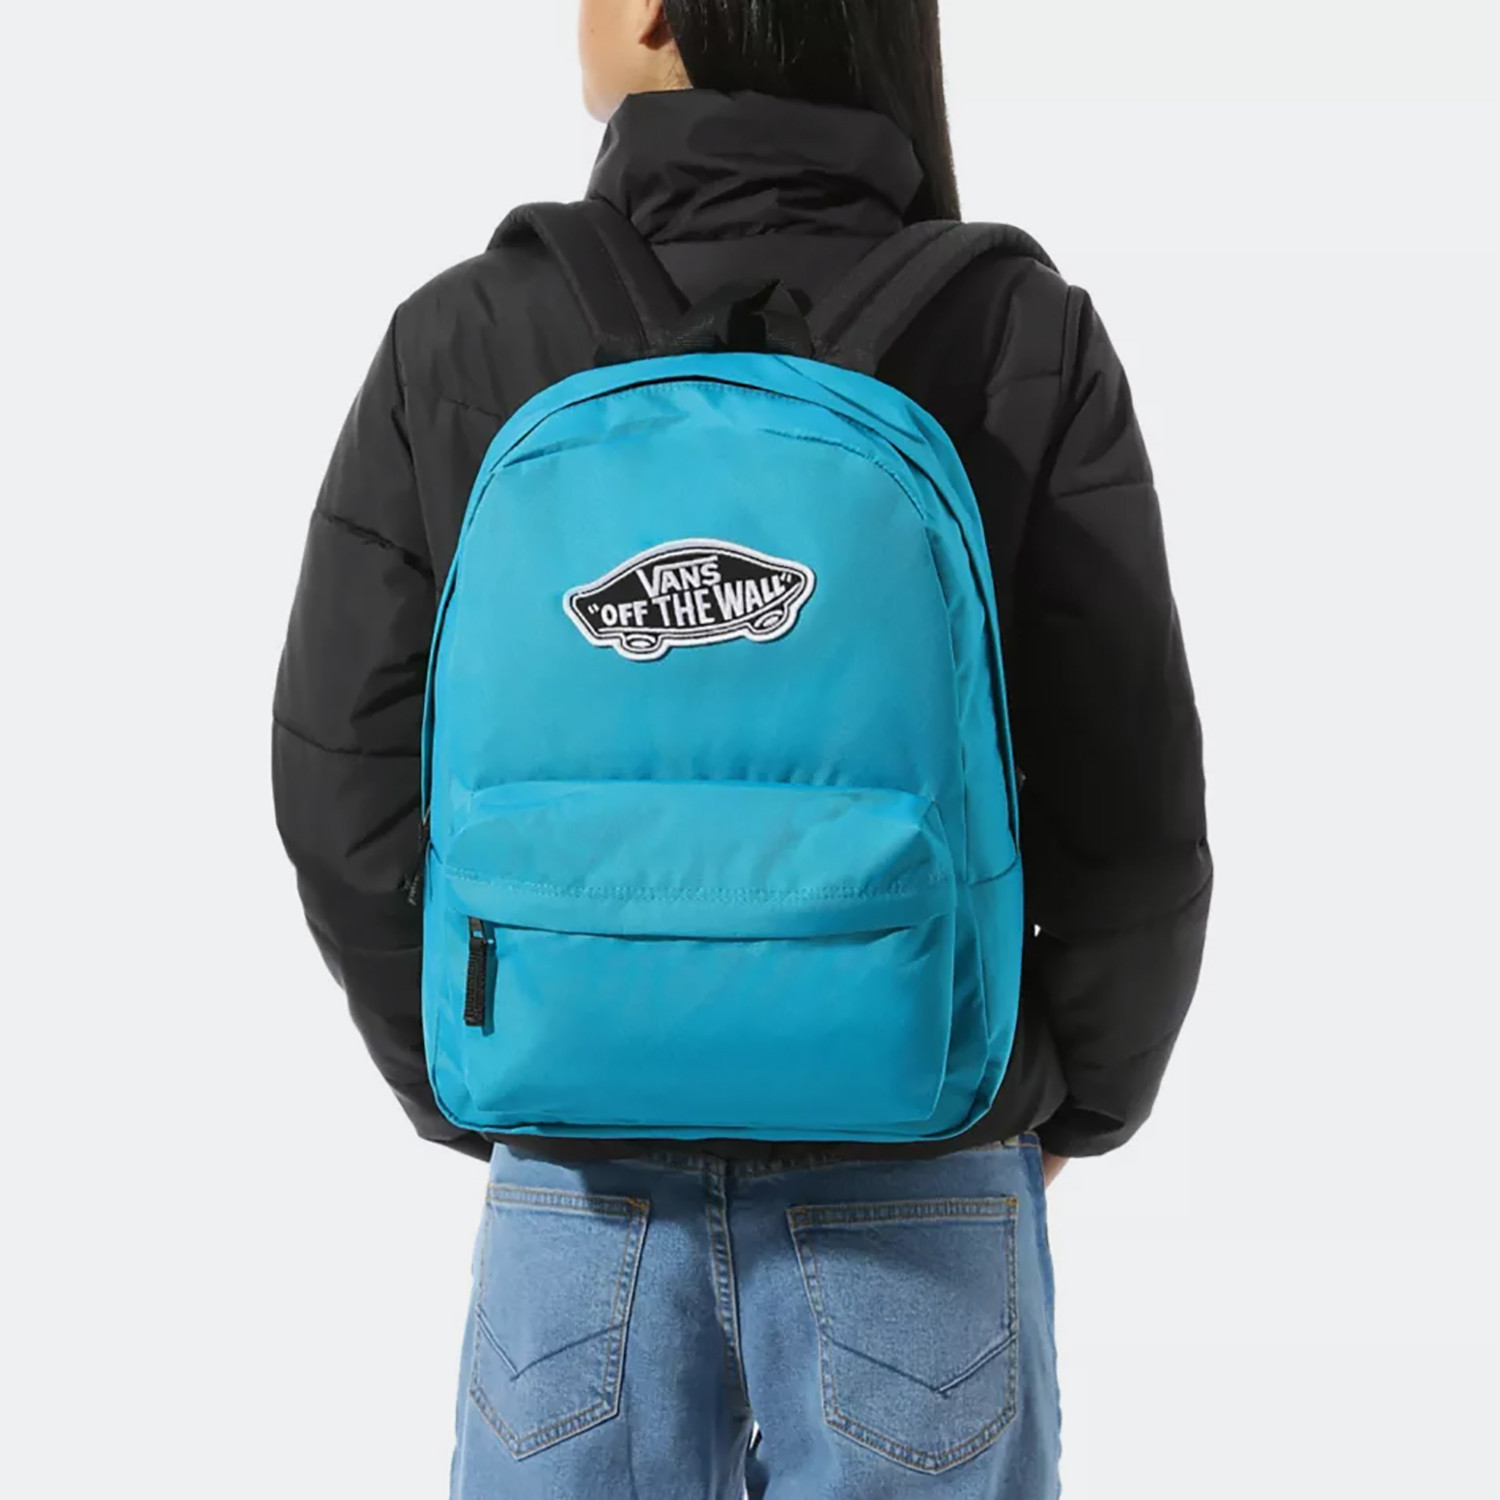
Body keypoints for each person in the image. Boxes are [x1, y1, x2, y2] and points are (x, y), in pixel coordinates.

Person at [270, 1, 1212, 1494]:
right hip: (923, 1161)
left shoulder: (466, 336)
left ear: (659, 7)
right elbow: (1131, 800)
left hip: (577, 1186)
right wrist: (1067, 1095)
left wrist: (485, 1061)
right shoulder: (1016, 332)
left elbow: (340, 787)